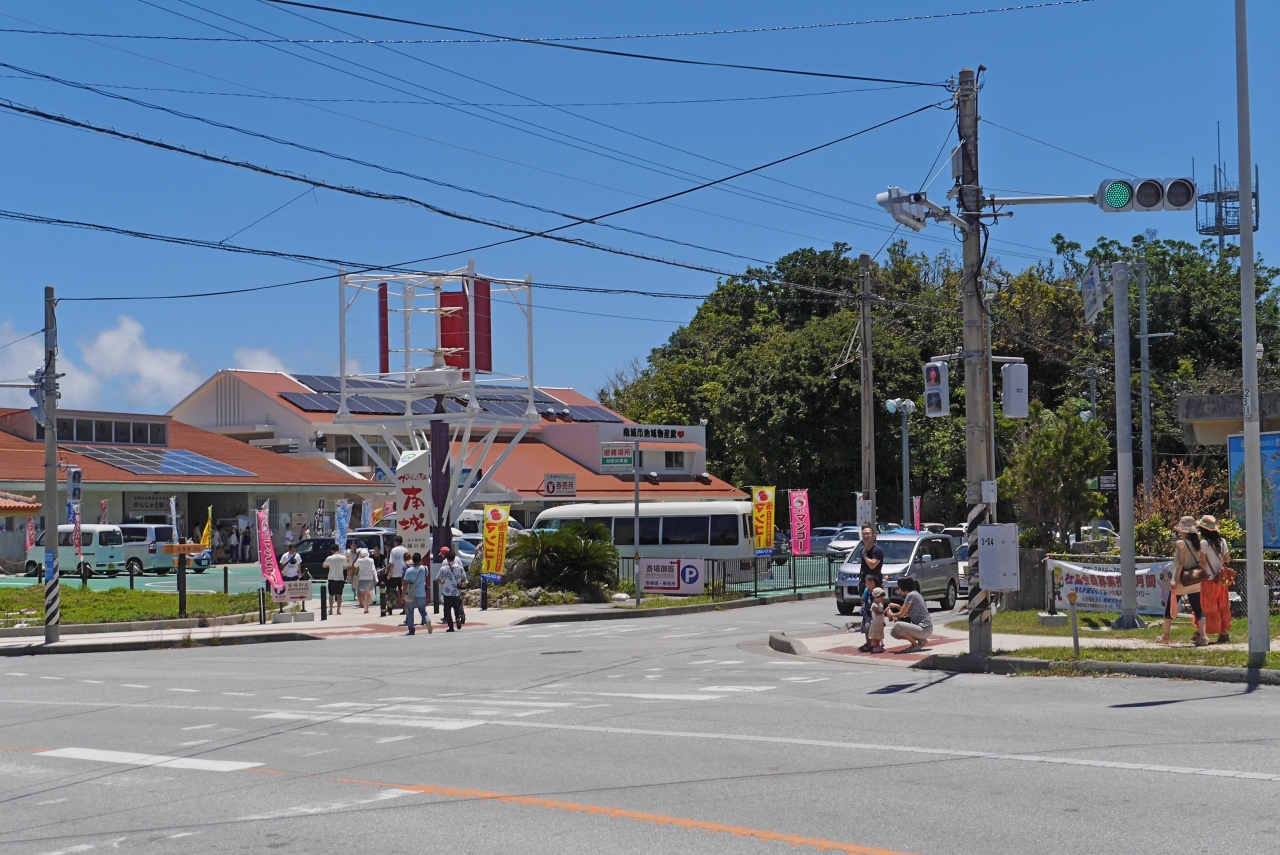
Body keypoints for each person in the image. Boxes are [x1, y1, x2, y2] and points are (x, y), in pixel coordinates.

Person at [1161, 516, 1207, 646]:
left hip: (1182, 580)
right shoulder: (1199, 544)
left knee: (1170, 607)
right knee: (1198, 609)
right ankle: (1204, 637)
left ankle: (1166, 636)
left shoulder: (1180, 543)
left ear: (1183, 530)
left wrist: (1174, 580)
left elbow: (1180, 563)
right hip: (1195, 580)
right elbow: (1201, 562)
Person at [1197, 514, 1232, 644]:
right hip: (1221, 579)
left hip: (1208, 579)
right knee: (1222, 605)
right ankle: (1223, 632)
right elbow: (1226, 559)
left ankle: (1202, 633)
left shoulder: (1204, 543)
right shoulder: (1223, 541)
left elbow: (1202, 563)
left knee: (1207, 606)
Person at [887, 577, 933, 651]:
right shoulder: (916, 594)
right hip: (926, 629)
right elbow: (908, 614)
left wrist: (891, 614)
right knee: (894, 632)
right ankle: (921, 640)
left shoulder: (910, 595)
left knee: (897, 625)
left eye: (899, 587)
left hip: (924, 628)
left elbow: (901, 615)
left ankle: (915, 645)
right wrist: (897, 606)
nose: (899, 589)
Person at [437, 546, 468, 631]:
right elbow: (464, 579)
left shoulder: (443, 568)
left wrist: (442, 582)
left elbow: (438, 579)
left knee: (447, 610)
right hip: (456, 592)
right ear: (454, 558)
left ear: (447, 558)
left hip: (447, 592)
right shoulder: (460, 568)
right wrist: (460, 584)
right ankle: (457, 618)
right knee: (456, 608)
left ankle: (451, 627)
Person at [402, 552, 433, 635]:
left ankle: (411, 629)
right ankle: (427, 619)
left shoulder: (409, 570)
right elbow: (425, 575)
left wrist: (402, 595)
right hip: (421, 593)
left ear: (412, 560)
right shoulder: (424, 569)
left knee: (410, 611)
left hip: (411, 594)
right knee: (423, 611)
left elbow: (405, 584)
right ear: (420, 560)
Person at [857, 570, 881, 653]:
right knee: (866, 627)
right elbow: (863, 599)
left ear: (872, 582)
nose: (865, 583)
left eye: (866, 581)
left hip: (874, 612)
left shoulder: (877, 591)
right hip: (867, 612)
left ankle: (875, 644)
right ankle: (868, 643)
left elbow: (880, 601)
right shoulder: (866, 590)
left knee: (875, 628)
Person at [323, 543, 347, 615]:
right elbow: (345, 567)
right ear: (338, 549)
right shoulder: (343, 558)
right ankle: (338, 610)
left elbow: (324, 565)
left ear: (332, 550)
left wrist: (329, 565)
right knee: (339, 595)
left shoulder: (329, 558)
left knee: (331, 595)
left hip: (331, 578)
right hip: (340, 578)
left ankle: (331, 610)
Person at [387, 536, 408, 615]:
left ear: (396, 542)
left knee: (392, 591)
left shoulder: (394, 550)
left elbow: (392, 563)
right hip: (403, 573)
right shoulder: (405, 550)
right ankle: (404, 608)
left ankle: (390, 608)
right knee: (403, 591)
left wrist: (389, 573)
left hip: (395, 573)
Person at [353, 547, 378, 613]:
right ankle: (367, 606)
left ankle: (365, 608)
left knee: (363, 594)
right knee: (368, 593)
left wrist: (358, 558)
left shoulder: (360, 560)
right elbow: (373, 569)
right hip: (370, 578)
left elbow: (355, 565)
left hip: (362, 578)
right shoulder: (371, 560)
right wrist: (376, 578)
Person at [867, 587, 887, 654]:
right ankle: (875, 647)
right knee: (875, 636)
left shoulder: (879, 604)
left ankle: (878, 646)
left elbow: (881, 616)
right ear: (876, 597)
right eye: (881, 598)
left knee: (879, 635)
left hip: (879, 623)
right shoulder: (874, 605)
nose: (882, 599)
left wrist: (883, 621)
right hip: (875, 624)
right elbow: (877, 614)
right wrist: (884, 612)